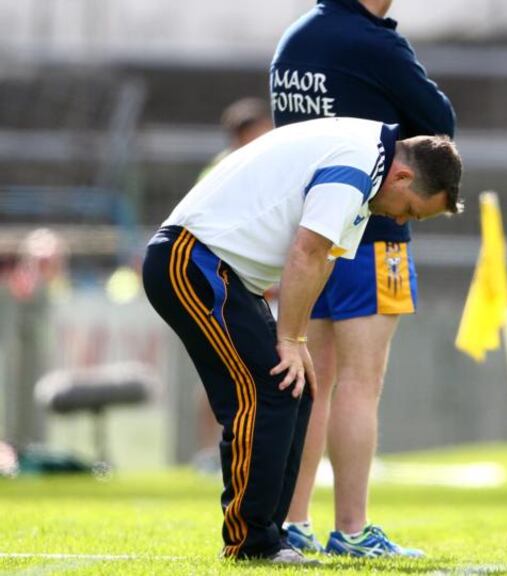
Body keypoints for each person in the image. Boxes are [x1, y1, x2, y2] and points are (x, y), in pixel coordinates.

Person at [142, 117, 462, 564]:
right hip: (191, 263)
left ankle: (275, 536)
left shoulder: (370, 170)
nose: (400, 219)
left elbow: (325, 259)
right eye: (409, 209)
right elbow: (306, 252)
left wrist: (298, 343)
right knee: (265, 390)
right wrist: (290, 338)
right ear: (404, 176)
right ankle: (251, 541)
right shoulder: (356, 163)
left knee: (298, 387)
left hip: (226, 274)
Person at [271, 0, 455, 557]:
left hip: (309, 231)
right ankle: (352, 529)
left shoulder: (294, 40)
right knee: (359, 382)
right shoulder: (376, 43)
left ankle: (293, 521)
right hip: (374, 233)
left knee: (312, 380)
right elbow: (440, 126)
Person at [200, 98, 274, 179]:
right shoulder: (219, 170)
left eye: (259, 132)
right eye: (246, 134)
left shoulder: (280, 157)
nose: (254, 140)